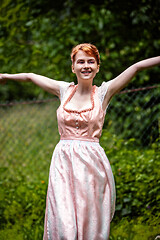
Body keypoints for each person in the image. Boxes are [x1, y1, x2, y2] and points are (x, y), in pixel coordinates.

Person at [0, 43, 160, 240]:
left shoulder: (103, 93)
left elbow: (136, 67)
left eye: (91, 61)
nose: (86, 66)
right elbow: (31, 76)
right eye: (81, 61)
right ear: (73, 67)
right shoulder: (63, 90)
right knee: (63, 215)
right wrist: (5, 77)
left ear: (98, 67)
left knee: (90, 215)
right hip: (63, 161)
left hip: (92, 164)